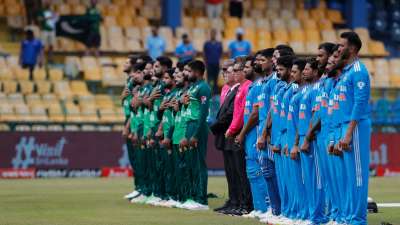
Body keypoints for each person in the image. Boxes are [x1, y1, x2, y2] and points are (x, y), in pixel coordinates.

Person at [336, 31, 371, 225]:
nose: (339, 48)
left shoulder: (358, 70)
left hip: (355, 127)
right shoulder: (347, 72)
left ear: (352, 48)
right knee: (348, 176)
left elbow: (359, 103)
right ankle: (349, 217)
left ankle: (357, 220)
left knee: (357, 175)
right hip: (345, 126)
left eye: (341, 45)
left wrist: (349, 132)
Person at [235, 55, 269, 218]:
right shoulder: (253, 87)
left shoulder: (259, 87)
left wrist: (242, 133)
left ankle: (266, 207)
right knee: (252, 172)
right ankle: (258, 207)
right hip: (249, 136)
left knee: (258, 172)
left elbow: (255, 115)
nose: (245, 70)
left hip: (255, 134)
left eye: (247, 67)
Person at [221, 57, 254, 216]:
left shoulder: (247, 87)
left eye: (235, 71)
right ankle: (241, 203)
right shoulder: (241, 88)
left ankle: (246, 204)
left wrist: (233, 129)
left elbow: (241, 114)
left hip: (242, 133)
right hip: (237, 132)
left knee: (243, 172)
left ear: (242, 72)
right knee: (237, 171)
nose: (232, 73)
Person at [210, 60, 241, 214]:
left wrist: (215, 127)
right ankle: (233, 200)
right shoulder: (226, 90)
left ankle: (239, 202)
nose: (225, 74)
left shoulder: (237, 90)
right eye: (223, 71)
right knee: (230, 171)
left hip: (232, 134)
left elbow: (230, 114)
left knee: (237, 171)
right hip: (226, 134)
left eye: (227, 71)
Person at [180, 60, 211, 210]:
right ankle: (193, 195)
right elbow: (189, 108)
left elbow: (204, 113)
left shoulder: (204, 88)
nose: (186, 74)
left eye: (189, 71)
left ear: (197, 72)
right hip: (190, 125)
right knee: (191, 163)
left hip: (198, 126)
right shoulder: (193, 87)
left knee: (199, 163)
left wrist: (196, 134)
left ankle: (202, 199)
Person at [203, 29, 223, 94]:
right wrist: (205, 63)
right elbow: (204, 54)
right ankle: (209, 92)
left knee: (215, 79)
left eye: (214, 33)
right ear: (210, 34)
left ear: (215, 35)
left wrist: (220, 63)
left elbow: (220, 55)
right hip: (209, 64)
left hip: (216, 64)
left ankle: (215, 92)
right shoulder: (206, 44)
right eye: (211, 33)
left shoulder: (219, 44)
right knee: (209, 79)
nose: (213, 35)